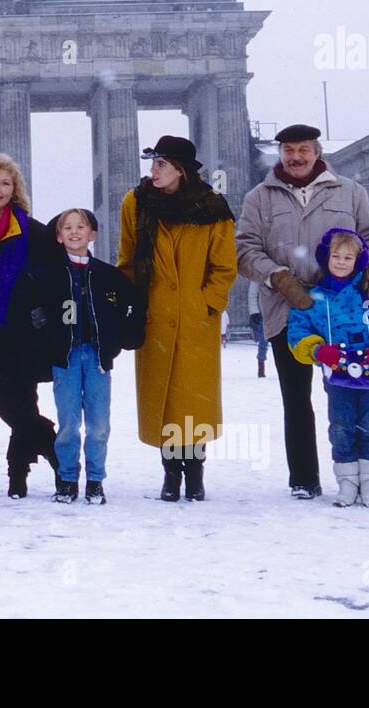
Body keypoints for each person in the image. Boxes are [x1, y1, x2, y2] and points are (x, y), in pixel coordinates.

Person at [235, 123, 369, 499]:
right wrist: (277, 277)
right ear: (280, 154)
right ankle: (304, 478)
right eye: (289, 150)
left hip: (344, 312)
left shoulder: (350, 191)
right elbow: (244, 250)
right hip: (288, 311)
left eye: (303, 150)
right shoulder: (259, 197)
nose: (296, 157)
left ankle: (359, 480)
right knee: (297, 399)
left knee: (353, 396)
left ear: (317, 152)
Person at [117, 136, 237, 502]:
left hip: (195, 321)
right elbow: (127, 259)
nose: (152, 171)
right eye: (152, 164)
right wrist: (129, 305)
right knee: (164, 403)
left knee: (192, 401)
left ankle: (195, 473)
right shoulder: (135, 203)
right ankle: (171, 474)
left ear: (181, 171)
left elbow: (224, 266)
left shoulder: (213, 208)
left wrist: (206, 304)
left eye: (160, 165)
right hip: (154, 317)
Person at [14, 208, 138, 505]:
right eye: (66, 227)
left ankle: (95, 480)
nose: (74, 232)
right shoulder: (47, 275)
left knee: (98, 424)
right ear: (58, 236)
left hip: (97, 359)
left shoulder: (109, 276)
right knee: (68, 423)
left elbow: (128, 308)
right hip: (64, 358)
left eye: (81, 226)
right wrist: (40, 325)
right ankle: (68, 478)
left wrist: (118, 339)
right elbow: (27, 303)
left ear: (92, 234)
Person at [287, 228, 369, 507]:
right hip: (337, 375)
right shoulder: (314, 298)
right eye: (336, 256)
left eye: (348, 257)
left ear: (358, 261)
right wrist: (318, 350)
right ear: (326, 258)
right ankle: (347, 482)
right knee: (341, 426)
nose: (341, 262)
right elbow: (298, 331)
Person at [0, 153, 60, 498]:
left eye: (5, 183)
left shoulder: (33, 230)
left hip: (24, 332)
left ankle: (16, 476)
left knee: (22, 403)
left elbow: (52, 275)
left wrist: (41, 311)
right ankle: (55, 448)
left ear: (15, 189)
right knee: (4, 403)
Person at [248, 281, 269, 378]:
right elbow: (252, 295)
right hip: (263, 314)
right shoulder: (256, 274)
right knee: (263, 341)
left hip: (278, 312)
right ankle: (261, 365)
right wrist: (254, 312)